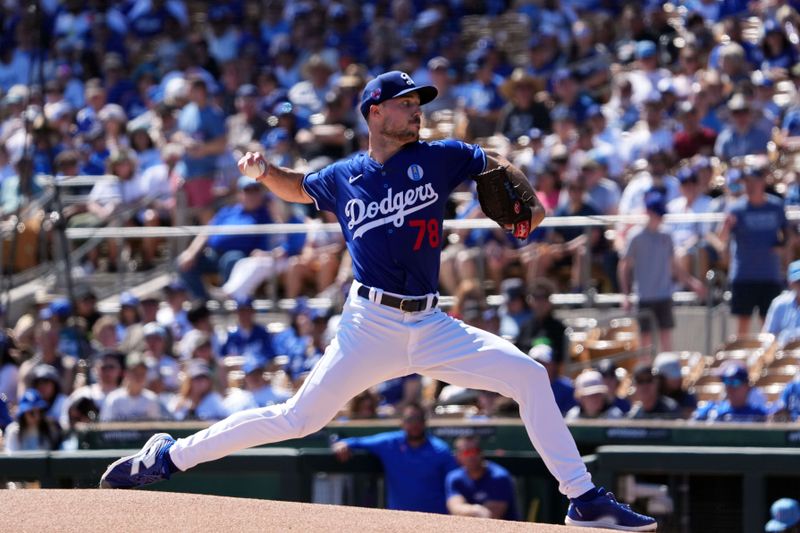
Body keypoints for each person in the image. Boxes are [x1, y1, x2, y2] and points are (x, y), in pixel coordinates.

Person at [99, 70, 656, 532]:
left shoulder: (440, 157)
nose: (416, 111)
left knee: (530, 376)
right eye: (404, 103)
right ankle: (167, 457)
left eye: (418, 102)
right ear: (374, 112)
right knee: (297, 419)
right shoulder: (346, 176)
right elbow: (301, 186)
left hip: (433, 323)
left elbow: (490, 164)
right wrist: (267, 173)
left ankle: (583, 500)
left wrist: (525, 199)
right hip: (369, 325)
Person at [619, 189, 706, 353]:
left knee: (666, 340)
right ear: (648, 212)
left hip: (664, 295)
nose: (659, 218)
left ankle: (667, 375)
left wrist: (692, 283)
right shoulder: (635, 236)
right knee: (645, 342)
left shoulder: (666, 235)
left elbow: (674, 265)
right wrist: (625, 294)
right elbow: (624, 266)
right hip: (644, 296)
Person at [331, 403, 457, 514]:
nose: (414, 424)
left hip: (434, 520)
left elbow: (455, 485)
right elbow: (359, 442)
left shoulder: (440, 450)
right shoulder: (391, 443)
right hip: (399, 518)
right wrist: (344, 444)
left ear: (425, 422)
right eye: (410, 419)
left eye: (418, 419)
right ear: (402, 423)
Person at [719, 164, 788, 336]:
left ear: (762, 182)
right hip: (744, 275)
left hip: (769, 274)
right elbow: (722, 239)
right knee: (742, 327)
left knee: (769, 326)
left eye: (754, 182)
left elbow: (788, 233)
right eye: (747, 182)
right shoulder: (736, 209)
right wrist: (726, 226)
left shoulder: (776, 206)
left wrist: (782, 246)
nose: (750, 186)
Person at [445, 435, 520, 520]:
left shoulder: (499, 476)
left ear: (481, 453)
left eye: (474, 451)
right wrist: (477, 509)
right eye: (466, 452)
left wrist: (466, 510)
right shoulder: (454, 478)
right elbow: (455, 509)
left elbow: (491, 516)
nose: (471, 456)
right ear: (458, 457)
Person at [763, 260, 800, 346]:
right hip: (781, 355)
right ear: (790, 283)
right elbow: (768, 335)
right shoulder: (779, 303)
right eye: (798, 282)